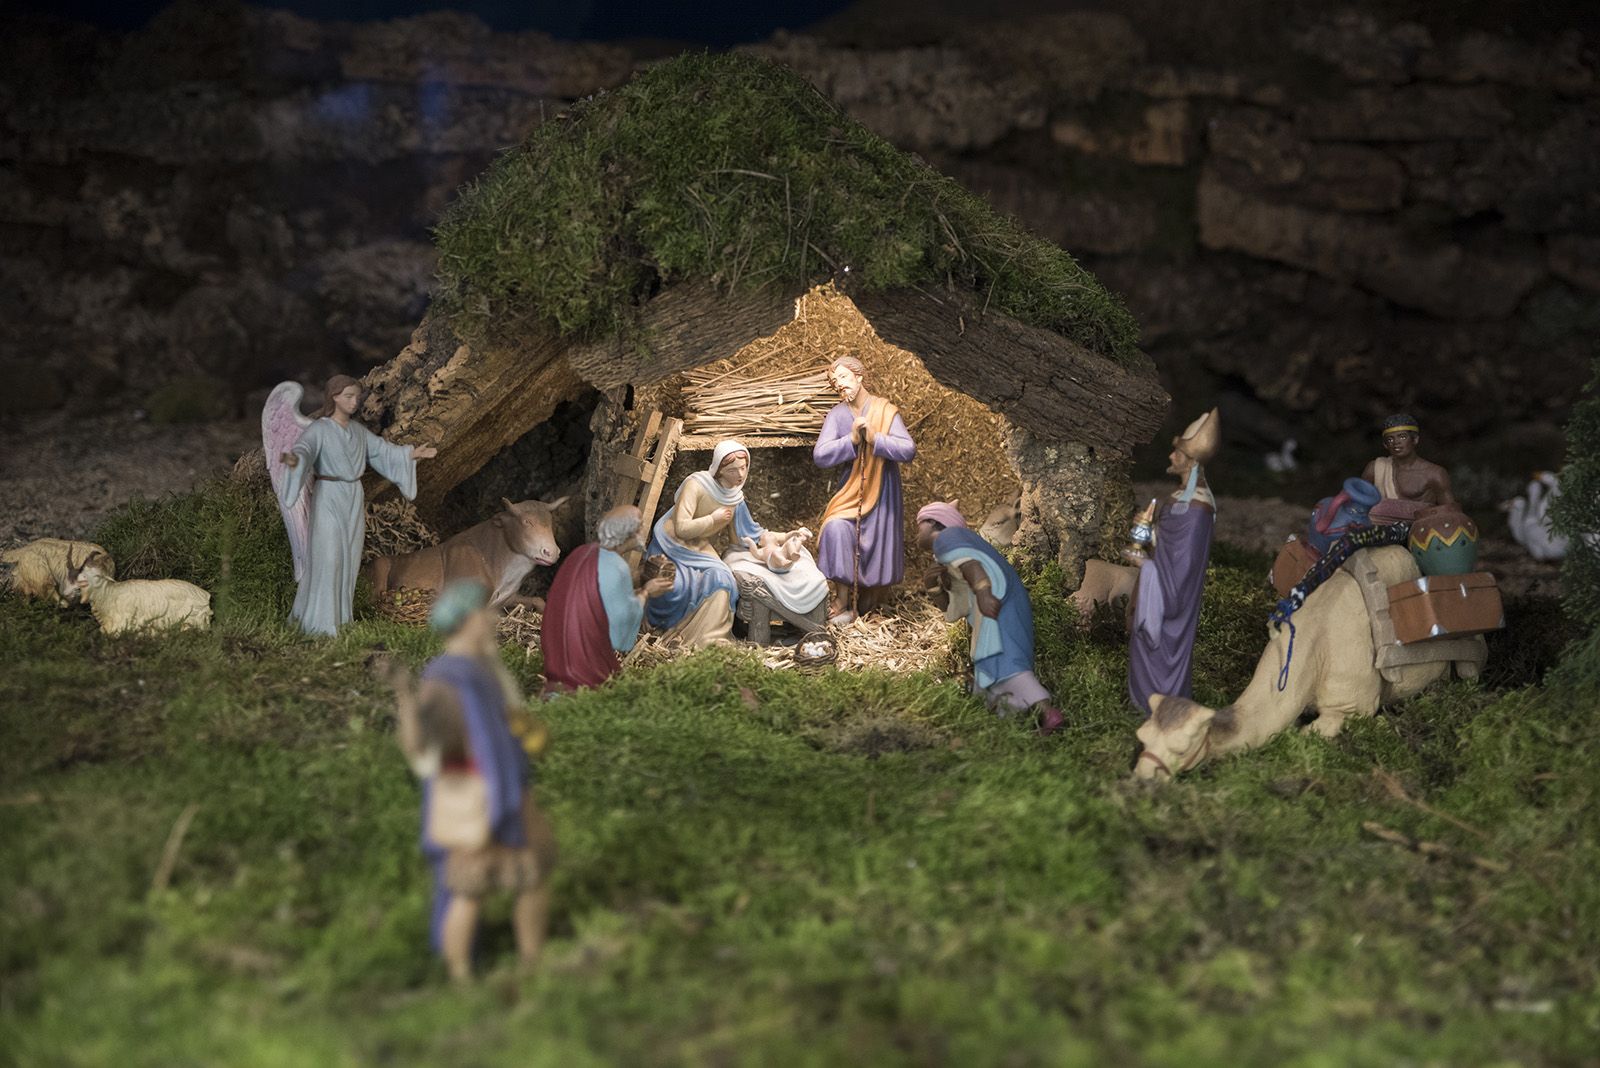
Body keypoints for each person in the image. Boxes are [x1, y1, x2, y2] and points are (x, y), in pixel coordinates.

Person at [385, 581, 555, 982]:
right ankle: (459, 972)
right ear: (466, 621)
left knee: (533, 874)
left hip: (510, 790)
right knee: (468, 892)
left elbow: (506, 721)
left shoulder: (487, 668)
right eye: (484, 613)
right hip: (474, 798)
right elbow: (427, 748)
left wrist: (523, 732)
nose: (492, 620)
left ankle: (533, 961)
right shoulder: (445, 679)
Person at [276, 374, 436, 635]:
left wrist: (411, 454)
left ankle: (339, 619)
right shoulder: (319, 429)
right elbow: (303, 451)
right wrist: (294, 460)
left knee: (349, 557)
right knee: (328, 557)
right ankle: (317, 623)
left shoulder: (357, 432)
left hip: (353, 495)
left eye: (356, 396)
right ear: (334, 397)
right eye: (349, 396)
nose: (354, 402)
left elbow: (382, 451)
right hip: (328, 494)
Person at [646, 440, 813, 646]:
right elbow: (681, 527)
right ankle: (676, 634)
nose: (741, 475)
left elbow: (750, 535)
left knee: (723, 579)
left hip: (699, 546)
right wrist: (713, 519)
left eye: (743, 468)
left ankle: (712, 638)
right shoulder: (696, 485)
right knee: (678, 586)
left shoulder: (735, 498)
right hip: (672, 545)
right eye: (733, 470)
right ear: (720, 469)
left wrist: (787, 536)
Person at [916, 501, 1063, 734]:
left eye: (920, 525)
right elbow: (957, 608)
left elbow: (972, 565)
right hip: (990, 613)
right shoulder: (948, 554)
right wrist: (933, 587)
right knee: (992, 668)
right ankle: (1011, 721)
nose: (917, 533)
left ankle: (1047, 712)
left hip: (998, 606)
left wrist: (984, 594)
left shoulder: (949, 537)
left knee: (1007, 662)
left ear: (934, 522)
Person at [1128, 408, 1219, 719]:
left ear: (1190, 460)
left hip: (1167, 598)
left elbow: (1184, 569)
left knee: (1160, 645)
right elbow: (1164, 547)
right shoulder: (1178, 499)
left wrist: (1144, 566)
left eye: (1177, 452)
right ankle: (1145, 705)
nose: (1171, 456)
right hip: (1155, 586)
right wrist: (1146, 537)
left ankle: (1163, 706)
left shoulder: (1197, 508)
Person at [813, 355, 917, 625]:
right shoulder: (837, 415)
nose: (840, 386)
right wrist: (851, 439)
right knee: (835, 528)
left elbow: (908, 450)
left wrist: (873, 438)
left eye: (844, 378)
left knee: (876, 550)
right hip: (851, 493)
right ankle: (842, 599)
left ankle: (872, 605)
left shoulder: (885, 410)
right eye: (835, 383)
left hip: (882, 493)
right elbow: (821, 455)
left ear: (859, 377)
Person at [540, 506, 674, 694]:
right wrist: (646, 592)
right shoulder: (617, 567)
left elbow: (604, 598)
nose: (644, 530)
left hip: (557, 648)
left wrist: (641, 577)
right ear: (631, 532)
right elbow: (619, 622)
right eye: (641, 525)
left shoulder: (582, 553)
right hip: (584, 658)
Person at [1362, 413, 1455, 524]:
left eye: (1402, 437)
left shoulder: (1435, 474)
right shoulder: (1375, 469)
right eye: (1390, 439)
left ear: (1414, 440)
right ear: (1385, 445)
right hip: (1379, 532)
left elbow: (1451, 514)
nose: (1396, 443)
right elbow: (1357, 505)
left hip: (1421, 533)